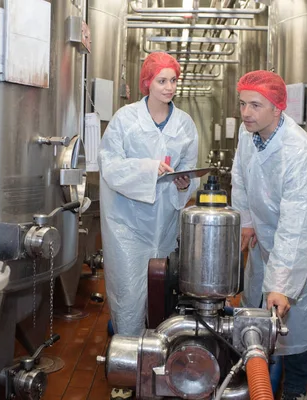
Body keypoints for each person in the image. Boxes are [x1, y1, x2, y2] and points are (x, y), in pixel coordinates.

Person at [98, 52, 199, 399]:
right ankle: (126, 375)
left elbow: (189, 168)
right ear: (147, 83)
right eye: (162, 80)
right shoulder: (125, 120)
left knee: (162, 293)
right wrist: (146, 169)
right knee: (127, 296)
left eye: (173, 80)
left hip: (165, 222)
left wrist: (185, 183)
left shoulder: (185, 123)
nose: (169, 87)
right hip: (127, 223)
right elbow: (110, 165)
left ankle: (159, 368)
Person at [231, 70, 307, 400]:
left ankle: (295, 389)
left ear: (277, 108)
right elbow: (240, 179)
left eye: (255, 105)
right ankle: (255, 374)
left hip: (302, 244)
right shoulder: (248, 134)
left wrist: (283, 283)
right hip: (265, 235)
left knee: (299, 324)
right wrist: (246, 222)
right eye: (243, 103)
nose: (246, 112)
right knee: (257, 309)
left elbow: (298, 224)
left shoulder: (300, 152)